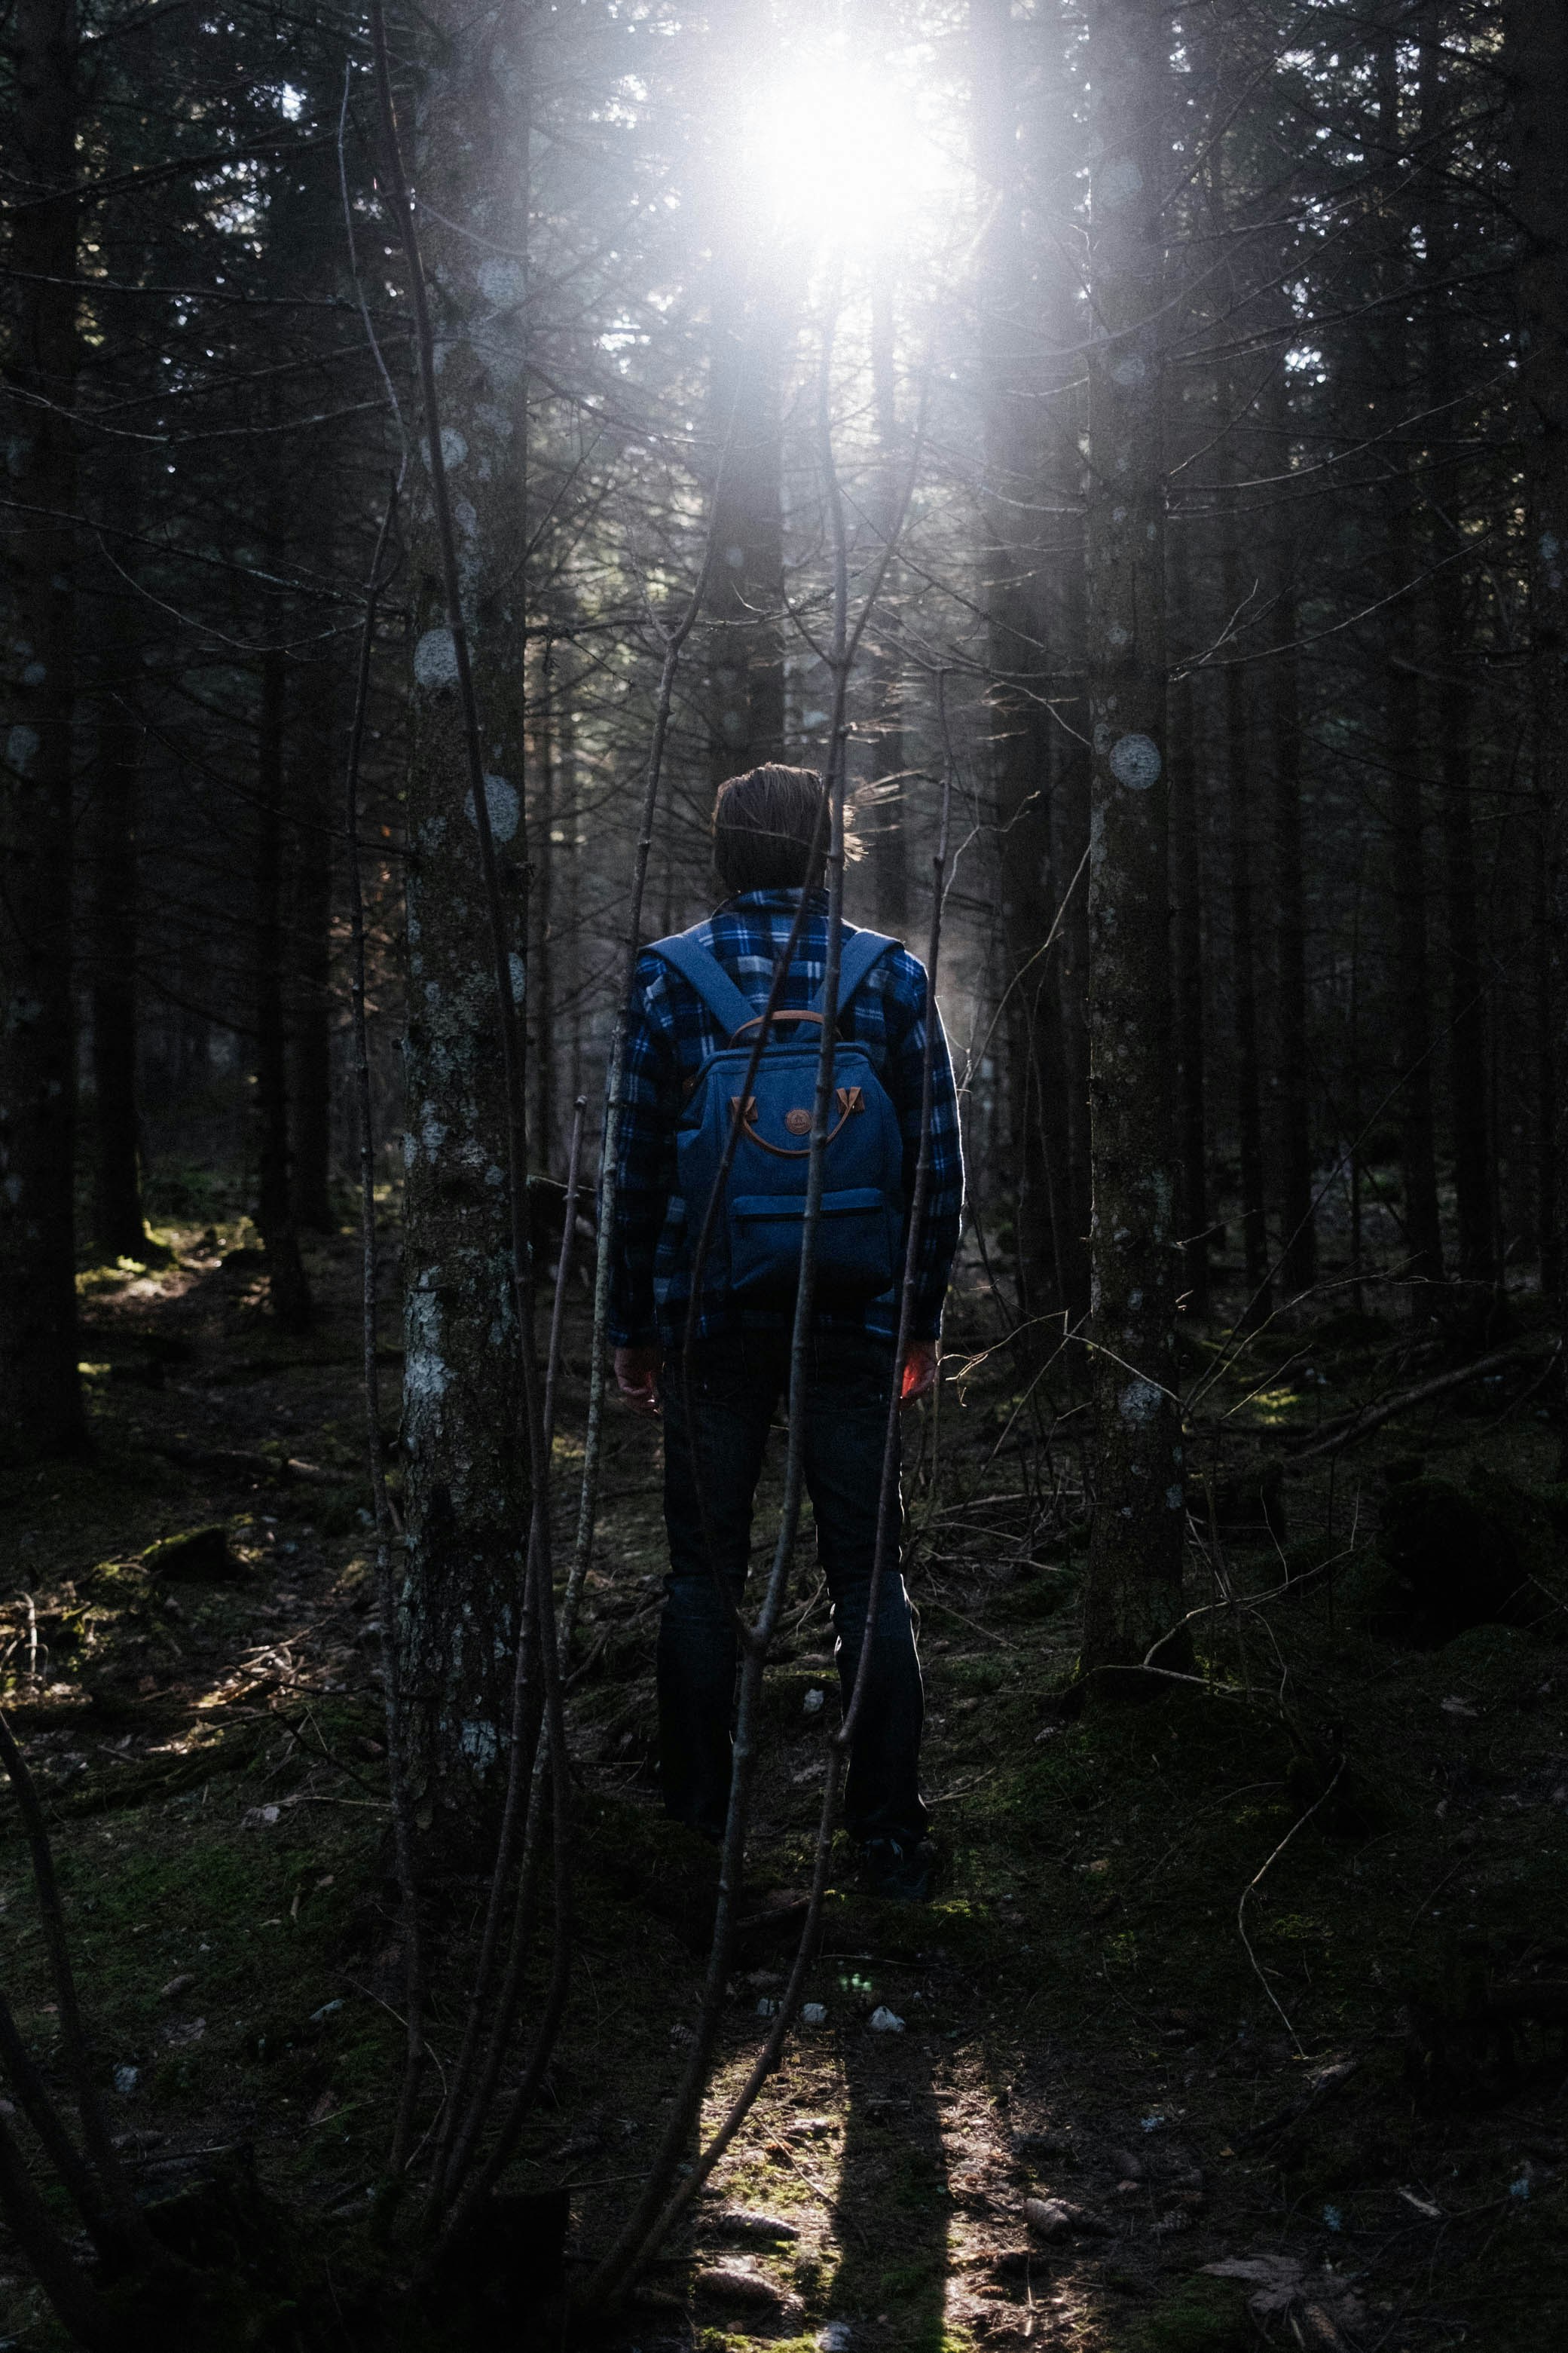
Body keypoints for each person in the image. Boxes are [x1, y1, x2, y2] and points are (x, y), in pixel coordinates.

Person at [609, 763, 963, 1900]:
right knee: (867, 1576)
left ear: (724, 854)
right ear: (826, 852)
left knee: (703, 1577)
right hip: (856, 1317)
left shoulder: (669, 978)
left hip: (712, 1320)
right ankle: (888, 1839)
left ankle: (696, 1831)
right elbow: (936, 1167)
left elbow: (635, 1167)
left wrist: (633, 1325)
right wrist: (918, 1318)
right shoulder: (890, 975)